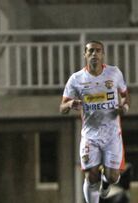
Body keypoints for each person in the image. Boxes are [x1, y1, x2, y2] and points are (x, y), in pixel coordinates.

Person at [59, 40, 131, 203]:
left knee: (113, 177)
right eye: (90, 51)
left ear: (103, 54)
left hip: (112, 134)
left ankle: (106, 182)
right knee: (91, 175)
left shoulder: (114, 73)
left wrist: (124, 107)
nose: (94, 54)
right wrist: (70, 104)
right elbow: (62, 107)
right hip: (90, 136)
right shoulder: (76, 79)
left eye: (98, 51)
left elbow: (126, 95)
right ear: (85, 54)